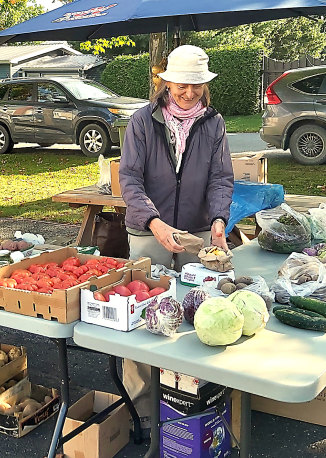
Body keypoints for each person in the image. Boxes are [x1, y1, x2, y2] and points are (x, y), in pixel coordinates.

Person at [118, 44, 234, 431]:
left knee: (194, 313)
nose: (189, 93)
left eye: (197, 86)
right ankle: (142, 410)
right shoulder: (141, 121)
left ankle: (191, 402)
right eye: (182, 85)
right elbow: (130, 179)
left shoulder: (214, 123)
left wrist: (218, 220)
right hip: (149, 231)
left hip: (197, 232)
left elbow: (221, 178)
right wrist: (154, 222)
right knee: (140, 316)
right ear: (166, 82)